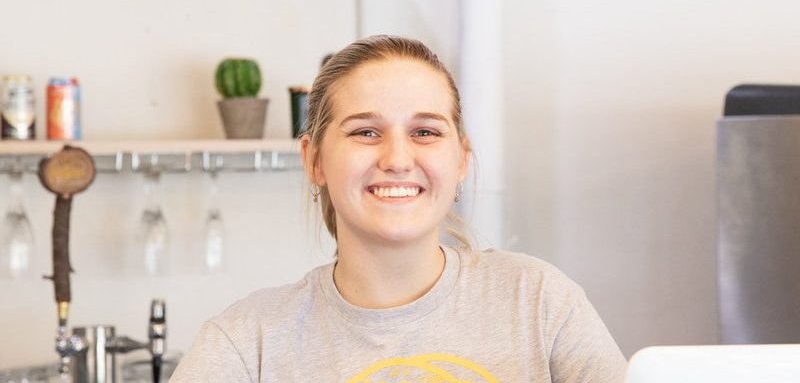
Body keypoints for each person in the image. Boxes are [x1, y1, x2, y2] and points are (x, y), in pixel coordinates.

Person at [171, 35, 627, 383]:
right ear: (314, 159)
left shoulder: (540, 301)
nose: (397, 159)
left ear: (461, 159)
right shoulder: (247, 342)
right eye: (366, 132)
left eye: (425, 132)